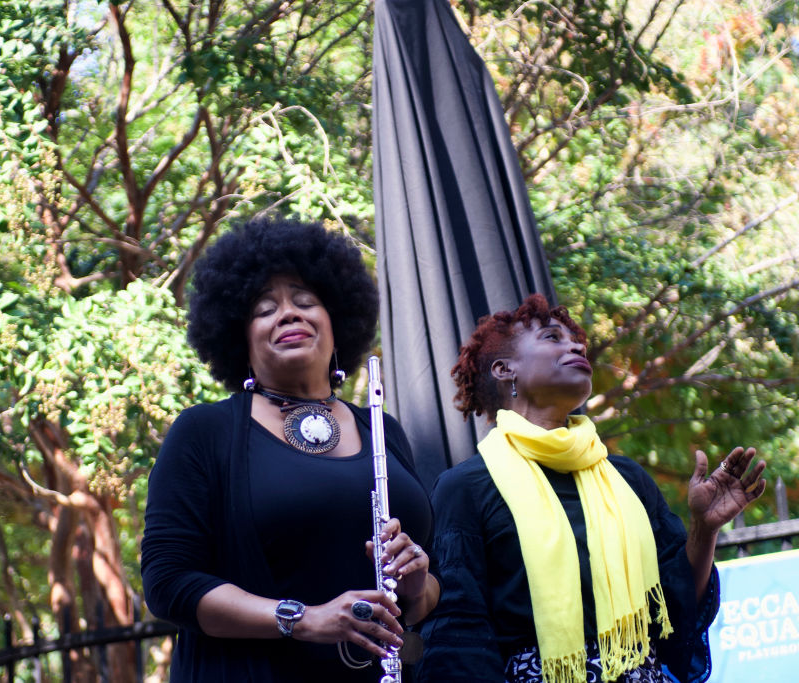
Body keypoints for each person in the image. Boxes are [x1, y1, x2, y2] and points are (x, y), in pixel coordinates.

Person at [141, 217, 440, 681]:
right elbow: (169, 583)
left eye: (306, 301)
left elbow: (431, 587)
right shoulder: (205, 431)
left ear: (338, 323)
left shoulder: (384, 431)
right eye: (264, 309)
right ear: (239, 338)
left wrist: (418, 587)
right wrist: (304, 619)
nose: (289, 314)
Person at [416, 294, 766, 683]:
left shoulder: (626, 478)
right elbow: (459, 636)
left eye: (577, 340)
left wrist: (704, 529)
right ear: (504, 369)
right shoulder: (465, 487)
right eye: (552, 337)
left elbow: (676, 614)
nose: (577, 345)